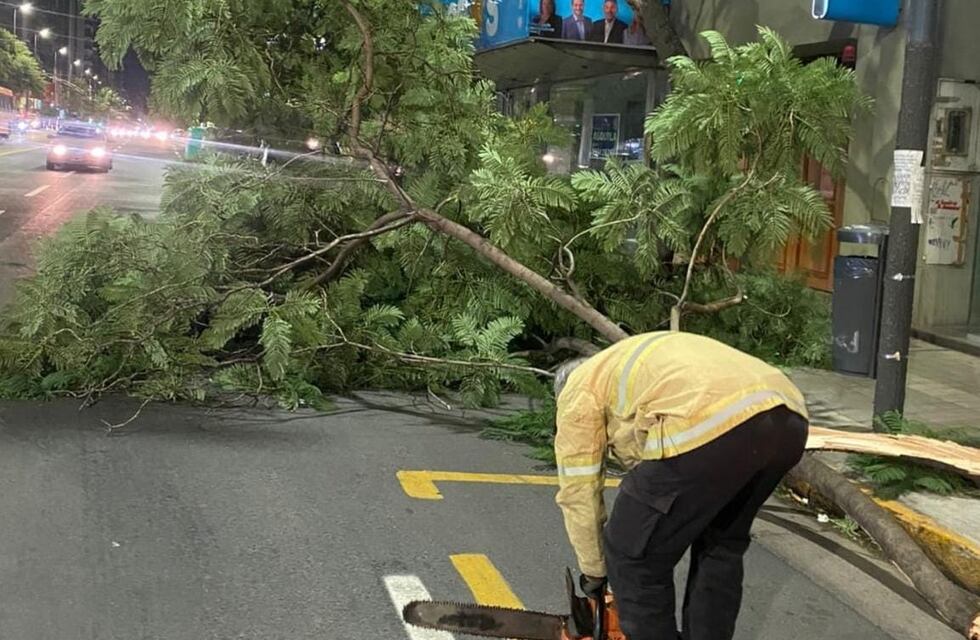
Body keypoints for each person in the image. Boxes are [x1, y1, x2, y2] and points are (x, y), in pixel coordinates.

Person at [553, 331, 809, 640]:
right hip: (788, 417)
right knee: (720, 545)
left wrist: (595, 572)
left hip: (709, 417)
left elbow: (579, 489)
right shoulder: (626, 364)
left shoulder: (579, 388)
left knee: (630, 552)